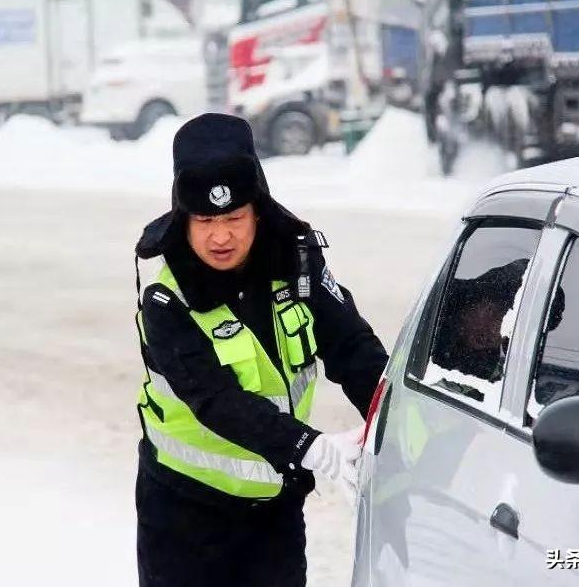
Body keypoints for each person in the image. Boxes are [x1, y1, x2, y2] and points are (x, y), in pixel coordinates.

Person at [133, 113, 389, 587]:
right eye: (205, 220)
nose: (220, 236)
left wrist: (394, 422)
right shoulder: (168, 300)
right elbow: (214, 400)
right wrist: (307, 446)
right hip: (184, 521)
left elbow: (352, 346)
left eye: (234, 218)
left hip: (274, 515)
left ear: (257, 209)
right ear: (183, 219)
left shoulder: (298, 265)